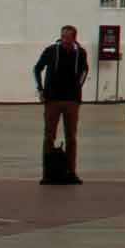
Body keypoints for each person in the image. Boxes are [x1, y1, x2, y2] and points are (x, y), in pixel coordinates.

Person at [32, 25, 90, 180]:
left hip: (72, 100)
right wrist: (41, 90)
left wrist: (78, 87)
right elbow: (37, 69)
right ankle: (47, 172)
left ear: (74, 38)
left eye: (68, 37)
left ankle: (71, 171)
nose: (64, 40)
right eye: (63, 37)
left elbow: (85, 70)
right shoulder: (51, 51)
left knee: (71, 136)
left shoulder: (81, 53)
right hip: (52, 100)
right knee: (49, 136)